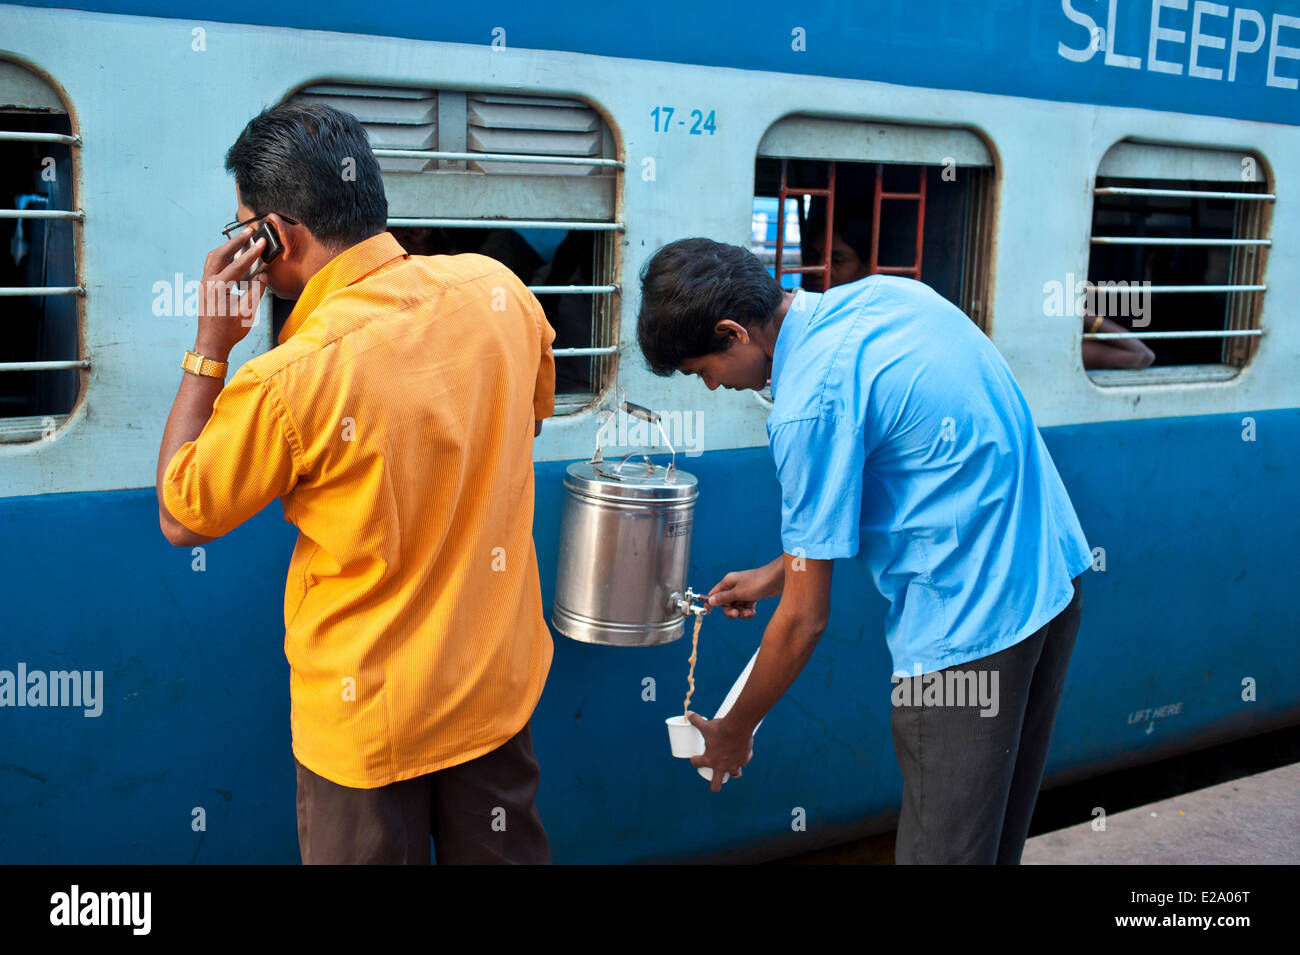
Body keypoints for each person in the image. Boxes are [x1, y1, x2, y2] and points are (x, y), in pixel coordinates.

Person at [155, 103, 557, 864]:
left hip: (368, 723)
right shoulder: (499, 292)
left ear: (276, 234)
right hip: (494, 695)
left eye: (243, 226)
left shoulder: (288, 380)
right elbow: (524, 422)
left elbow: (182, 512)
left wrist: (211, 345)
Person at [636, 237, 1092, 864]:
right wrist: (778, 572)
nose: (714, 388)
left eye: (703, 371)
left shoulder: (803, 411)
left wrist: (733, 734)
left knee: (945, 853)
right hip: (1049, 586)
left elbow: (804, 621)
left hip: (970, 637)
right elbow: (914, 470)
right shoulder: (886, 297)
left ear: (732, 333)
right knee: (989, 841)